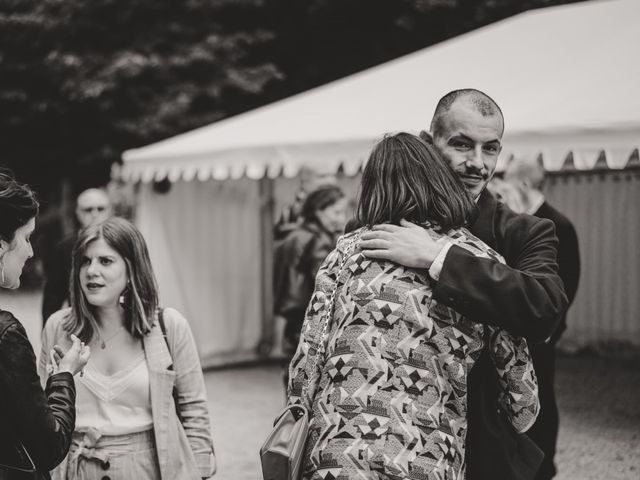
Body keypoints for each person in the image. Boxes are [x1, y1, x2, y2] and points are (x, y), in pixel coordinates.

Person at [287, 133, 539, 480]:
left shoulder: (346, 252)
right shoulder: (474, 257)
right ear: (437, 181)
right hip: (428, 453)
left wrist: (299, 407)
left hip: (337, 451)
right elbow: (515, 368)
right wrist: (520, 414)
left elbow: (309, 355)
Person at [357, 89, 568, 480]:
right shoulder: (383, 228)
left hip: (484, 452)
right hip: (388, 444)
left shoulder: (525, 232)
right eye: (461, 144)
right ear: (427, 143)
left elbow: (546, 309)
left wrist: (440, 257)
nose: (477, 163)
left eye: (490, 149)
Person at [39, 217, 215, 480]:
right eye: (85, 261)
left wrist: (200, 473)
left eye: (105, 261)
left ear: (132, 270)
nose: (91, 271)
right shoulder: (58, 327)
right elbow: (42, 412)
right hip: (73, 469)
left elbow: (194, 412)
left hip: (148, 469)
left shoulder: (169, 327)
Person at [0, 171, 90, 478]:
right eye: (25, 238)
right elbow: (49, 445)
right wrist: (63, 376)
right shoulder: (5, 334)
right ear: (1, 246)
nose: (30, 251)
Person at [504, 156, 581, 480]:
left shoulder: (558, 224)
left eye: (507, 183)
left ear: (522, 184)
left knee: (543, 399)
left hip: (541, 333)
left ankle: (544, 467)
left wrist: (550, 329)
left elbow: (568, 283)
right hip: (513, 331)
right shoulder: (514, 221)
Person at [274, 184, 347, 385]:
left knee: (292, 374)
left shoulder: (291, 234)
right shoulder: (319, 241)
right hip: (310, 318)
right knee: (307, 378)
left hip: (292, 319)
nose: (341, 218)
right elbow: (328, 286)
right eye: (336, 212)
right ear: (319, 211)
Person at [42, 188, 112, 323]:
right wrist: (49, 330)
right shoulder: (65, 247)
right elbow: (53, 295)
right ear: (78, 213)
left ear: (109, 211)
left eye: (100, 209)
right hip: (79, 321)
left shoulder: (120, 243)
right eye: (88, 209)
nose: (94, 214)